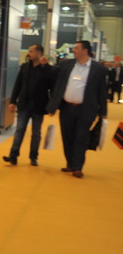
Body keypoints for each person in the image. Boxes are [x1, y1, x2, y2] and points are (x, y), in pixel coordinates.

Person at [46, 40, 109, 178]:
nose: (73, 50)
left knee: (81, 137)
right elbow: (56, 80)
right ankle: (70, 163)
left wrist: (103, 112)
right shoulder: (66, 65)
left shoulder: (98, 69)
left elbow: (102, 91)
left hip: (86, 109)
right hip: (67, 108)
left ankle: (77, 167)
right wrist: (45, 65)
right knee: (67, 136)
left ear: (85, 51)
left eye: (76, 48)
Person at [2, 44, 55, 167]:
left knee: (36, 133)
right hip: (24, 104)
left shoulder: (47, 69)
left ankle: (33, 157)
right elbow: (18, 85)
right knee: (19, 129)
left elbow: (52, 83)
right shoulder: (25, 67)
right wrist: (12, 101)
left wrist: (45, 66)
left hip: (39, 105)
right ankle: (13, 156)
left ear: (38, 53)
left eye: (31, 51)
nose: (28, 53)